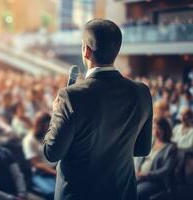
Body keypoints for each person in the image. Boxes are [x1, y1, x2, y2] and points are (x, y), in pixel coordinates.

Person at [43, 19, 153, 200]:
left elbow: (52, 153)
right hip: (122, 193)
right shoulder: (141, 92)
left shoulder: (71, 96)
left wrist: (56, 112)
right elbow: (142, 149)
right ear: (116, 50)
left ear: (86, 50)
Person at [136, 118, 177, 200]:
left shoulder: (171, 147)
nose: (156, 132)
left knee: (136, 193)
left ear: (165, 130)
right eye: (154, 128)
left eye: (159, 129)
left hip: (156, 181)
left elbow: (166, 170)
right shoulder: (151, 142)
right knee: (123, 188)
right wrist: (138, 170)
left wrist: (146, 175)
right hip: (141, 177)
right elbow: (140, 159)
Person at [22, 112, 56, 200]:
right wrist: (55, 173)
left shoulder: (49, 135)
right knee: (53, 193)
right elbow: (36, 163)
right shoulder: (29, 140)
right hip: (41, 173)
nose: (50, 127)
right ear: (40, 125)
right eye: (47, 125)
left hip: (55, 168)